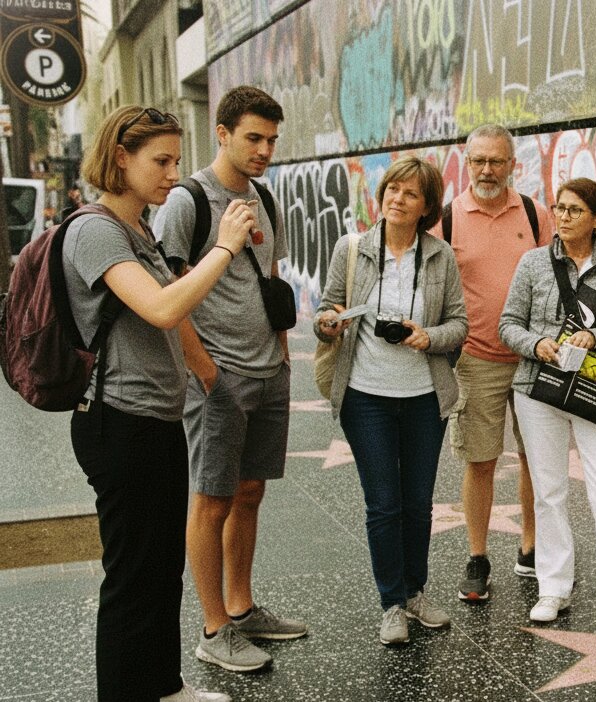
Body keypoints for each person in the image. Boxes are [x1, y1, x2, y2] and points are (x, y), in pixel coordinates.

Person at [67, 105, 245, 701]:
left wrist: (206, 375)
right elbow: (164, 308)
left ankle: (163, 687)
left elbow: (172, 311)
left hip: (158, 417)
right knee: (131, 578)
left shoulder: (140, 227)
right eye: (160, 160)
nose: (174, 172)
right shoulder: (95, 230)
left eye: (175, 158)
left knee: (161, 570)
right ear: (121, 156)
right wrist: (223, 248)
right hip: (117, 421)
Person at [152, 86, 305, 673]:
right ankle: (214, 628)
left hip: (268, 369)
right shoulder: (188, 200)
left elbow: (271, 280)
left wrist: (283, 355)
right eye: (252, 138)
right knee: (211, 498)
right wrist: (208, 373)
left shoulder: (264, 196)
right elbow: (169, 297)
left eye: (271, 139)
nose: (264, 150)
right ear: (221, 133)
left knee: (249, 492)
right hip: (218, 375)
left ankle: (241, 609)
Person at [314, 157, 468, 645]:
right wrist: (327, 322)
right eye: (392, 189)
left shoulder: (440, 256)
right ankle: (392, 604)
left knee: (417, 503)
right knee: (383, 504)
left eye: (410, 193)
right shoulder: (353, 247)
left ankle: (416, 591)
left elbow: (460, 325)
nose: (397, 199)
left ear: (426, 207)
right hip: (366, 397)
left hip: (424, 397)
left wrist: (429, 337)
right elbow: (327, 306)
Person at [498, 177, 596, 628]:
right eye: (559, 208)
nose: (562, 217)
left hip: (594, 391)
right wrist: (538, 344)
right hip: (538, 390)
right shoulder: (533, 263)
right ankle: (553, 588)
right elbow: (509, 325)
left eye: (574, 210)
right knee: (549, 492)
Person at [444, 124, 553, 600]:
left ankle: (530, 548)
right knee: (480, 460)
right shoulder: (446, 219)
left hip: (533, 358)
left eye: (496, 161)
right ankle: (478, 556)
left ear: (513, 164)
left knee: (535, 458)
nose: (487, 170)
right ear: (467, 163)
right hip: (476, 359)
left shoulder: (535, 214)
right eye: (478, 161)